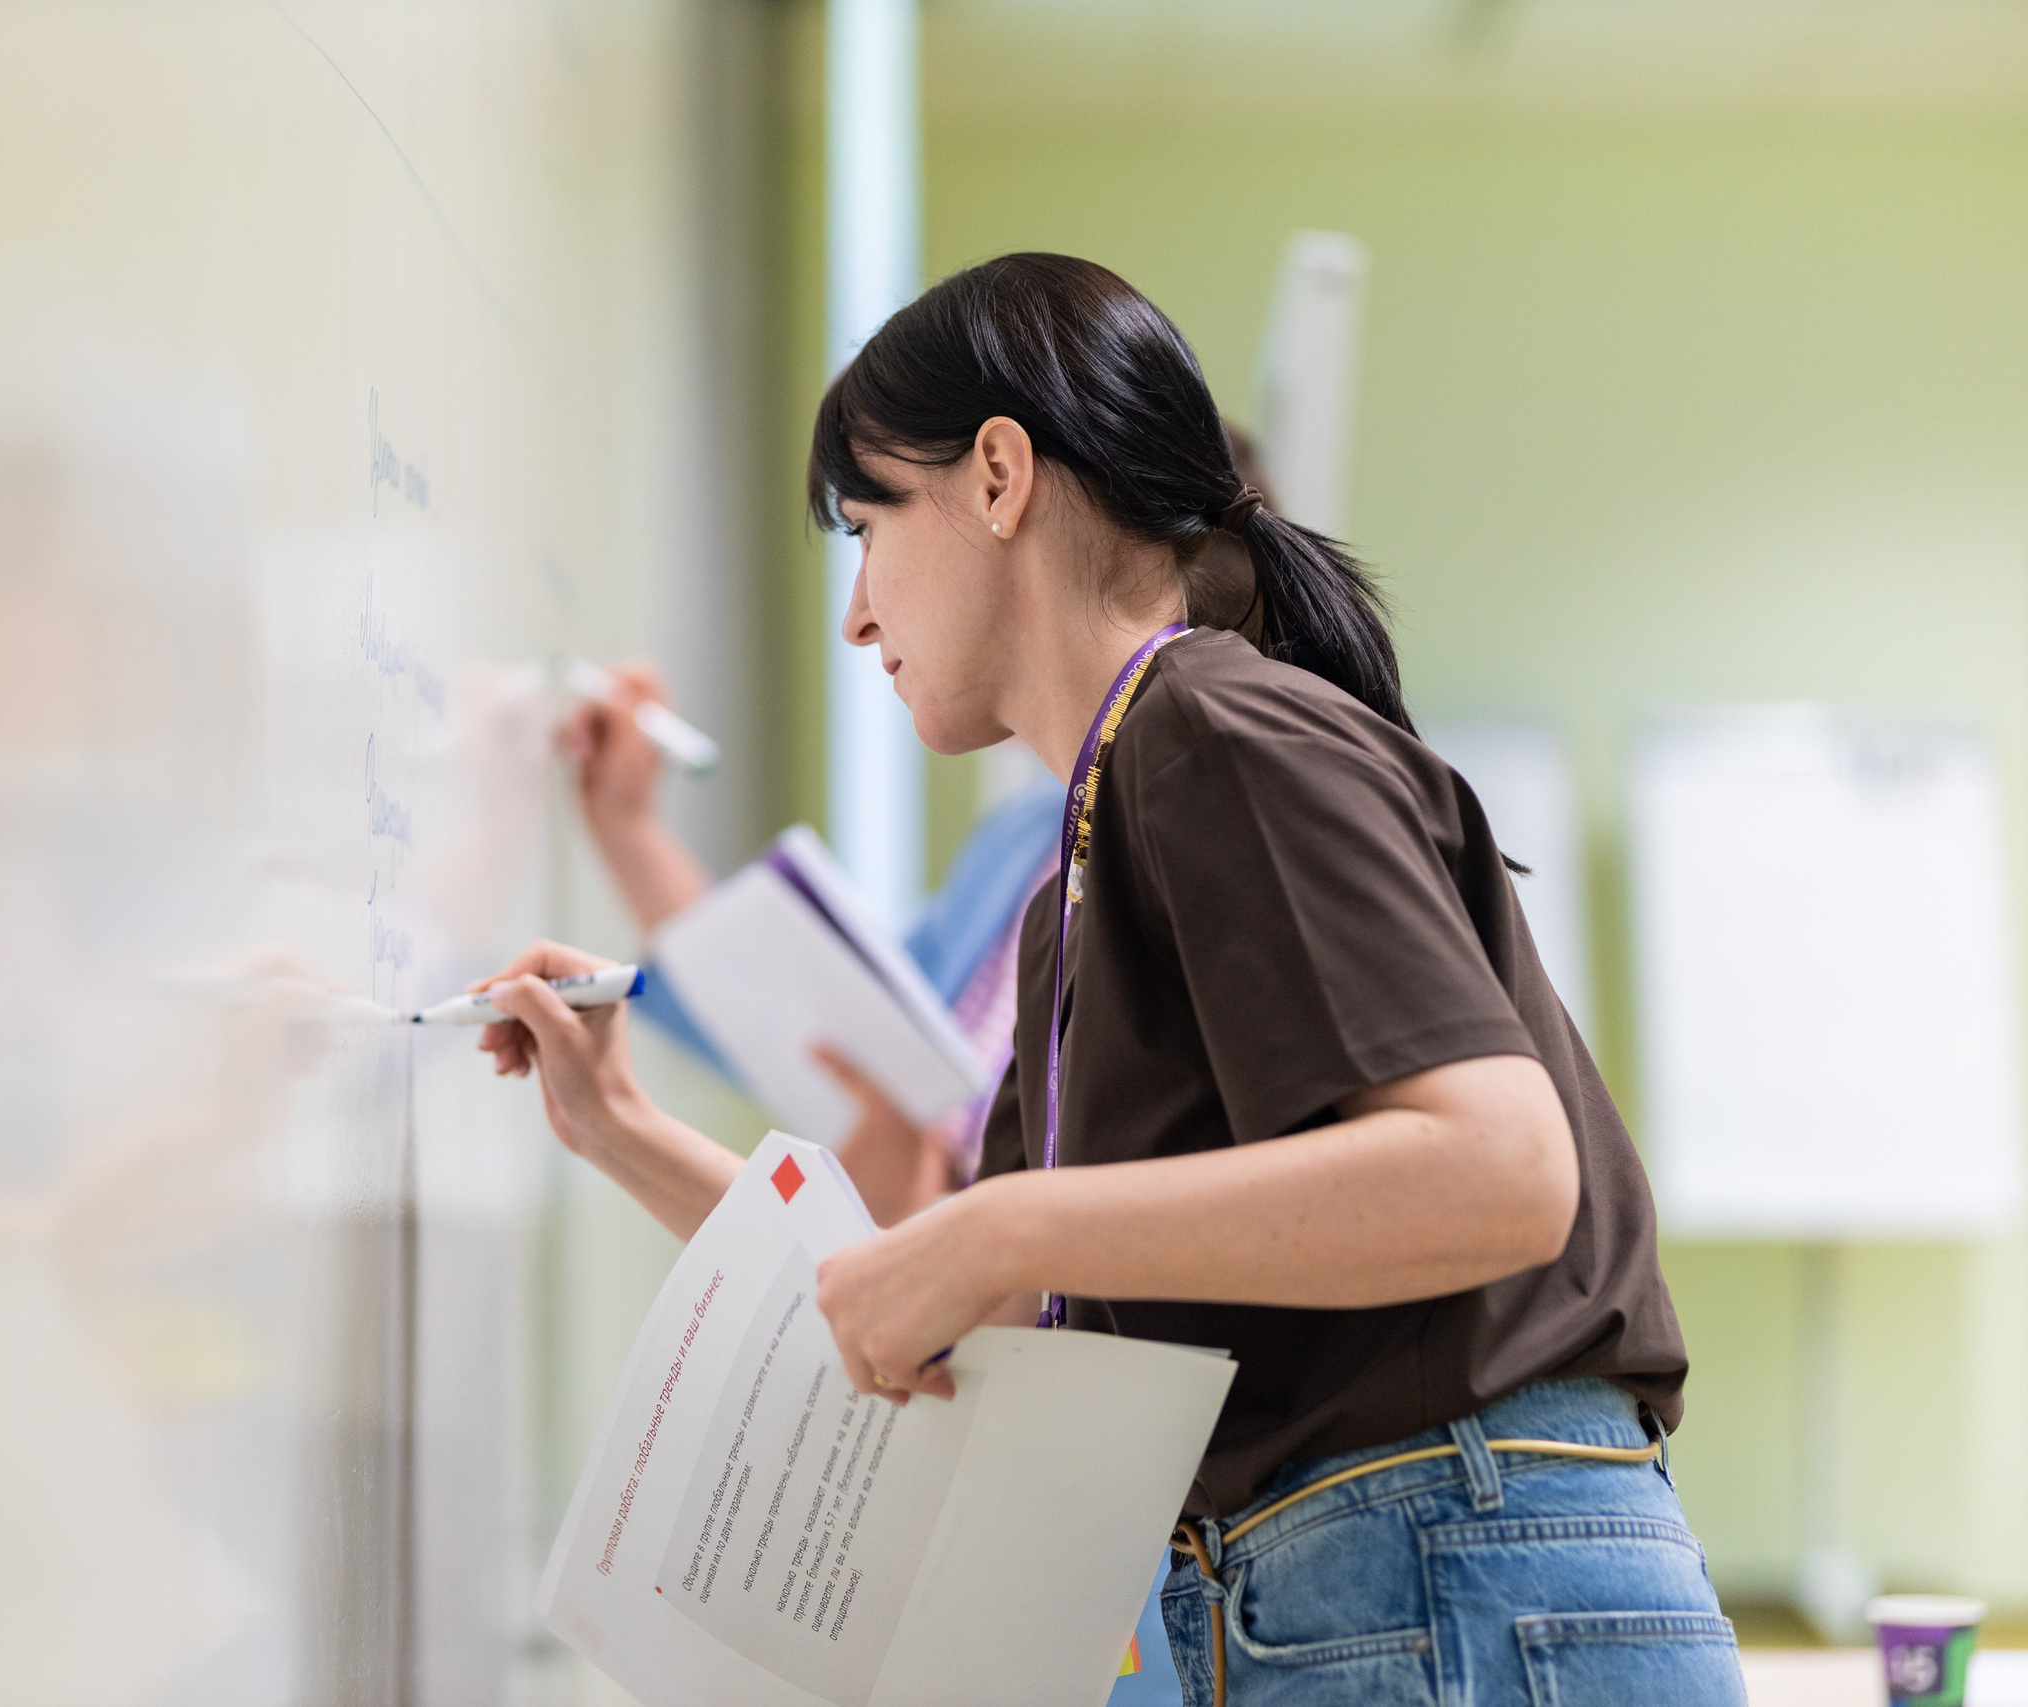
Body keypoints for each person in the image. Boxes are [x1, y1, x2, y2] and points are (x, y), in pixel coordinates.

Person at [477, 253, 1739, 1705]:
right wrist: (619, 1126)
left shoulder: (1208, 729)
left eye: (867, 526)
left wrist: (1002, 1224)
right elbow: (962, 1310)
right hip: (1336, 1588)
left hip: (1445, 1564)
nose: (857, 616)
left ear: (999, 476)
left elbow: (1503, 1171)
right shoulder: (1084, 863)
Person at [563, 426, 1277, 1227]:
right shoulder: (1036, 837)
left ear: (1005, 494)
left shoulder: (1233, 834)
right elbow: (828, 1026)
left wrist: (937, 1212)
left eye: (871, 532)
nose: (860, 619)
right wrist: (628, 829)